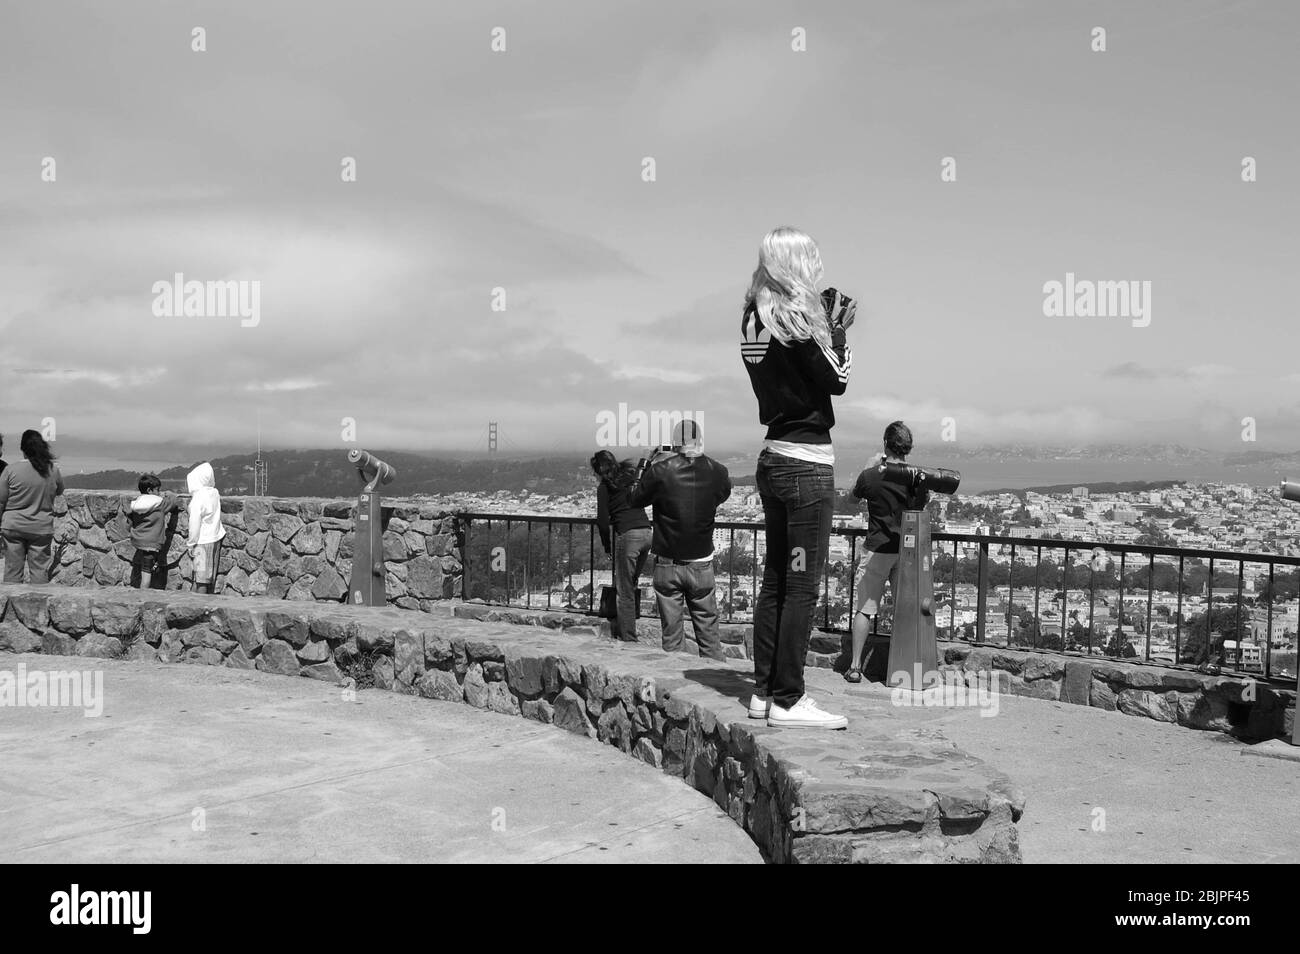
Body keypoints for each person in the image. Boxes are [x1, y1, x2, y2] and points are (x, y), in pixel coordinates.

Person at [741, 226, 855, 729]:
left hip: (772, 459)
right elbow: (838, 380)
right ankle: (788, 698)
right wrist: (837, 327)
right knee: (802, 586)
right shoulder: (798, 320)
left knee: (776, 581)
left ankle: (764, 690)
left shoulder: (753, 319)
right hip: (806, 463)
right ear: (799, 265)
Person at [628, 420, 732, 658]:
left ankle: (674, 688)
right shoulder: (718, 471)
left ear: (674, 444)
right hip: (702, 562)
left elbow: (633, 499)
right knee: (709, 636)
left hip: (668, 561)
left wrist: (646, 461)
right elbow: (722, 494)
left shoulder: (661, 470)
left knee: (672, 639)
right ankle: (712, 683)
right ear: (701, 441)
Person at [844, 422, 930, 682]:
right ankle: (907, 665)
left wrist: (868, 467)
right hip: (906, 550)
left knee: (865, 608)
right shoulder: (915, 476)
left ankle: (856, 666)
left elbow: (851, 499)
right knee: (907, 608)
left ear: (885, 444)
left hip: (877, 548)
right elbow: (922, 503)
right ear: (907, 448)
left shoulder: (871, 475)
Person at [591, 449, 653, 640]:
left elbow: (602, 520)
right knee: (631, 582)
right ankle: (630, 622)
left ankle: (629, 637)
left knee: (624, 589)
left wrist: (607, 545)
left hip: (628, 535)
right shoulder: (629, 478)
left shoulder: (604, 488)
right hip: (647, 532)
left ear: (598, 470)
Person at [0, 429, 65, 584]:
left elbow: (1, 501)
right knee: (39, 571)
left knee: (12, 570)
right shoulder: (52, 469)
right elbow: (60, 490)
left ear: (23, 449)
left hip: (13, 526)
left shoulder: (10, 470)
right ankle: (38, 606)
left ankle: (11, 606)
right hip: (41, 527)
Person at [125, 474, 182, 589]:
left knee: (145, 567)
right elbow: (173, 502)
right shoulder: (159, 504)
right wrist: (170, 494)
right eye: (158, 490)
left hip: (138, 541)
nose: (159, 493)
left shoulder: (136, 504)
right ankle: (143, 597)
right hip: (151, 544)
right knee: (146, 574)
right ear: (149, 490)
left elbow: (128, 524)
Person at [185, 462, 225, 594]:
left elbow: (194, 523)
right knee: (207, 578)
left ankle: (198, 608)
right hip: (215, 538)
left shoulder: (198, 498)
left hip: (202, 543)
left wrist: (191, 544)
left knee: (201, 579)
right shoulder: (214, 493)